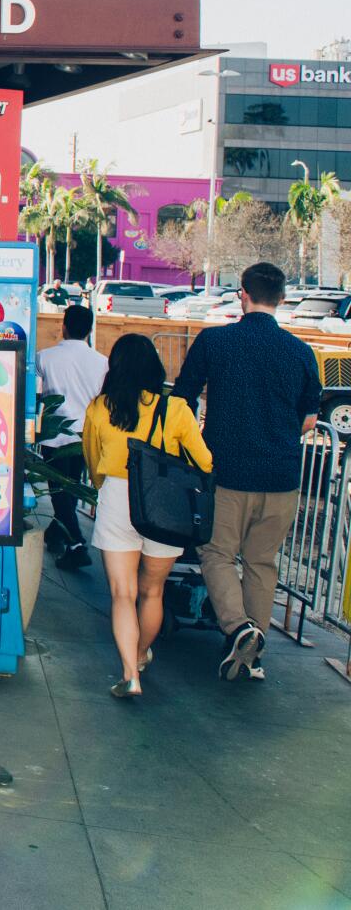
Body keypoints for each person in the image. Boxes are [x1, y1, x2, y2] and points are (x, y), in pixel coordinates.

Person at [171, 261, 324, 683]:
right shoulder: (301, 352)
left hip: (227, 473)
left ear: (243, 294)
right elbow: (310, 419)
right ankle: (252, 655)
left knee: (217, 553)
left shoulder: (215, 341)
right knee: (261, 562)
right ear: (282, 299)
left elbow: (182, 400)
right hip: (282, 477)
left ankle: (239, 627)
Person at [81, 333, 214, 699]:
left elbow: (92, 458)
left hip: (117, 498)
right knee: (152, 592)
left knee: (122, 593)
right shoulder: (176, 409)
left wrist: (102, 485)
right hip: (165, 504)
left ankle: (129, 675)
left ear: (115, 367)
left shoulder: (101, 407)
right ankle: (141, 654)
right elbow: (204, 462)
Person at [35, 305, 109, 570]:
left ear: (64, 326)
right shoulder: (102, 362)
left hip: (54, 431)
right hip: (85, 434)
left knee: (58, 490)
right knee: (72, 486)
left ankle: (77, 544)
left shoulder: (45, 357)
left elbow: (36, 391)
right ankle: (57, 532)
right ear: (89, 329)